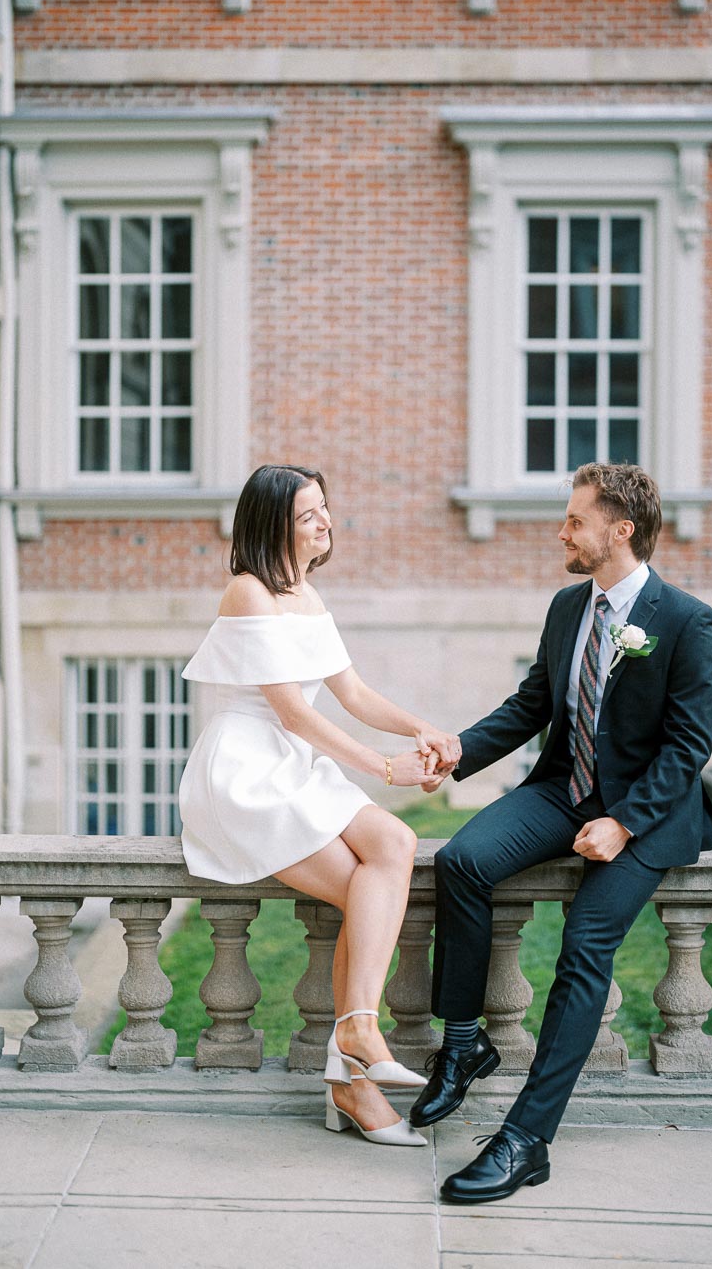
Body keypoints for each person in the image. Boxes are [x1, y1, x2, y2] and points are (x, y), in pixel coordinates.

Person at [412, 462, 712, 1203]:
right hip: (562, 789)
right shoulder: (566, 606)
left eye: (575, 521)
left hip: (645, 812)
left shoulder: (687, 620)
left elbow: (688, 747)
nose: (562, 532)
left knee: (585, 943)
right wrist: (460, 748)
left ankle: (527, 1138)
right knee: (461, 861)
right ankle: (462, 1045)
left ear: (621, 530)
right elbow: (532, 704)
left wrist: (625, 822)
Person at [178, 463, 461, 1147]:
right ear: (274, 524)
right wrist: (381, 766)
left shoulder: (306, 593)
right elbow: (292, 713)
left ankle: (355, 1043)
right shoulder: (248, 593)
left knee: (393, 846)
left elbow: (354, 695)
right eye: (310, 515)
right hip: (246, 769)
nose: (326, 523)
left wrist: (422, 728)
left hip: (292, 763)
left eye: (326, 510)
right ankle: (354, 1066)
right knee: (368, 892)